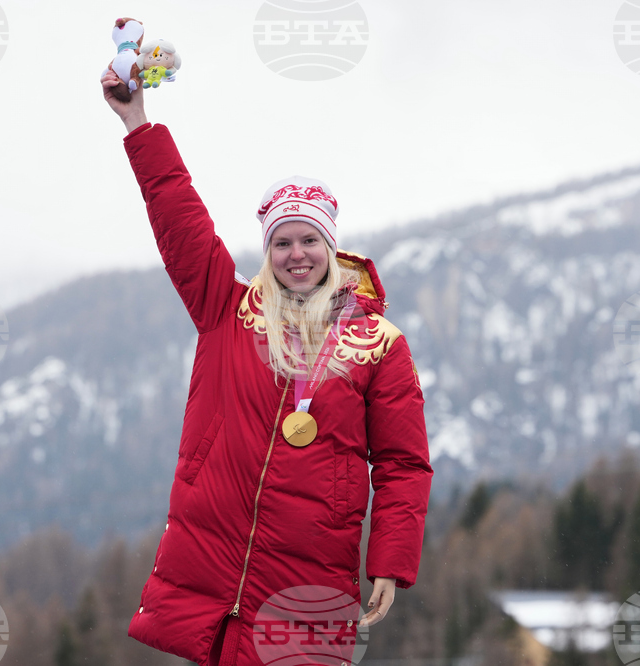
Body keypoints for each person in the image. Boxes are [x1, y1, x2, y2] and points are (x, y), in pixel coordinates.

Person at [101, 70, 433, 666]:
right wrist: (137, 122)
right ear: (267, 251)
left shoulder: (379, 345)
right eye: (282, 243)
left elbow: (403, 464)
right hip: (210, 564)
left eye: (309, 241)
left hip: (309, 572)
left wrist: (390, 561)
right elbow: (179, 217)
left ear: (332, 248)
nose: (296, 255)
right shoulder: (226, 310)